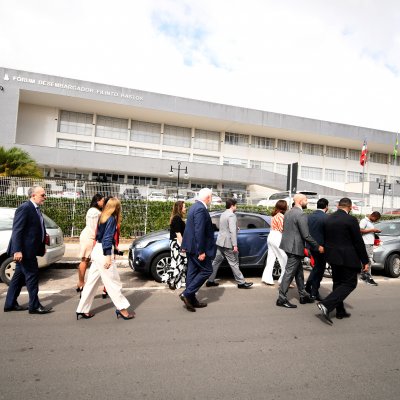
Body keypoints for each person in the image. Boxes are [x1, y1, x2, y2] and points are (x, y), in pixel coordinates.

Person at [76, 197, 135, 320]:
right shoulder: (112, 219)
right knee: (113, 282)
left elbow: (101, 236)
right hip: (104, 253)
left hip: (97, 250)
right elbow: (107, 239)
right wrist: (108, 257)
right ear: (116, 207)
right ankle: (122, 309)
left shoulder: (102, 216)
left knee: (91, 283)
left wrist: (115, 248)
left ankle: (82, 309)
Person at [317, 198, 369, 324]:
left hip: (332, 256)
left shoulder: (328, 218)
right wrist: (365, 261)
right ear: (350, 207)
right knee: (350, 283)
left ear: (338, 205)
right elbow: (358, 242)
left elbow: (324, 237)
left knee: (338, 283)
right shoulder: (351, 220)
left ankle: (340, 311)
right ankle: (326, 304)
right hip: (347, 257)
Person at [4, 186, 53, 314]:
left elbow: (36, 231)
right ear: (33, 195)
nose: (45, 197)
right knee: (32, 276)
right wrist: (17, 250)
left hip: (30, 250)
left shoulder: (35, 209)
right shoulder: (25, 208)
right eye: (42, 195)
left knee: (18, 278)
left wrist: (41, 247)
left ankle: (10, 303)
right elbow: (17, 230)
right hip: (25, 251)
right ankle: (34, 306)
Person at [276, 194, 323, 309]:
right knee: (289, 273)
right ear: (301, 201)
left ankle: (303, 295)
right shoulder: (301, 214)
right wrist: (318, 246)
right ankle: (281, 299)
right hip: (295, 248)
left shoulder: (288, 212)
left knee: (299, 272)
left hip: (288, 246)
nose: (307, 202)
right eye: (306, 200)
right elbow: (306, 235)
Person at [180, 188, 216, 312]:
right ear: (208, 197)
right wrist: (201, 251)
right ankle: (187, 293)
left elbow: (190, 228)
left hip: (191, 247)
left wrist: (185, 245)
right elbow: (199, 231)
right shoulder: (201, 209)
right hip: (197, 248)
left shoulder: (194, 207)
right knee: (207, 270)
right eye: (211, 197)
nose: (211, 199)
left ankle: (191, 300)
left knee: (192, 272)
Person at [206, 198, 253, 289]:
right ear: (232, 206)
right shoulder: (232, 215)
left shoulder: (223, 214)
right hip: (228, 243)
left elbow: (225, 227)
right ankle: (241, 282)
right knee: (234, 263)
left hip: (220, 242)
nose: (236, 207)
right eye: (236, 205)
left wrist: (236, 228)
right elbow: (231, 231)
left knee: (216, 262)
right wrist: (235, 245)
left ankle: (210, 280)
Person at [76, 193, 105, 293]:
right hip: (90, 237)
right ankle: (81, 283)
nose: (104, 202)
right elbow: (95, 229)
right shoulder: (96, 212)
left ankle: (80, 283)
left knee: (85, 260)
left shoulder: (91, 210)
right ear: (98, 201)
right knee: (86, 260)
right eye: (102, 200)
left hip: (86, 235)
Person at [305, 198, 329, 300]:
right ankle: (313, 292)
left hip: (310, 246)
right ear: (326, 206)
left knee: (316, 267)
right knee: (319, 269)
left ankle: (309, 287)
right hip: (321, 247)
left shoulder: (309, 217)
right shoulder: (326, 218)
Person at [261, 200, 288, 286]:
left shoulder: (273, 216)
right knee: (284, 257)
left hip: (271, 236)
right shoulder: (281, 216)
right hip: (277, 236)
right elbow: (282, 229)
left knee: (271, 258)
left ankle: (266, 278)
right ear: (284, 207)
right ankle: (284, 279)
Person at [162, 201, 188, 290]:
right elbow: (178, 234)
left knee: (179, 263)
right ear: (180, 208)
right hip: (177, 243)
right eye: (184, 207)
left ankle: (177, 281)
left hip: (176, 243)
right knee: (178, 263)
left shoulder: (177, 218)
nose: (185, 208)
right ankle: (170, 280)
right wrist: (183, 246)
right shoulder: (177, 219)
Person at [359, 211, 381, 286]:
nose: (376, 221)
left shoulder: (370, 222)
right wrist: (372, 230)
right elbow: (360, 230)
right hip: (366, 243)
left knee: (367, 260)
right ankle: (368, 277)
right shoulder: (364, 221)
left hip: (369, 244)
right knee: (368, 260)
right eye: (376, 219)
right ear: (373, 216)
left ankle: (364, 275)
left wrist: (375, 231)